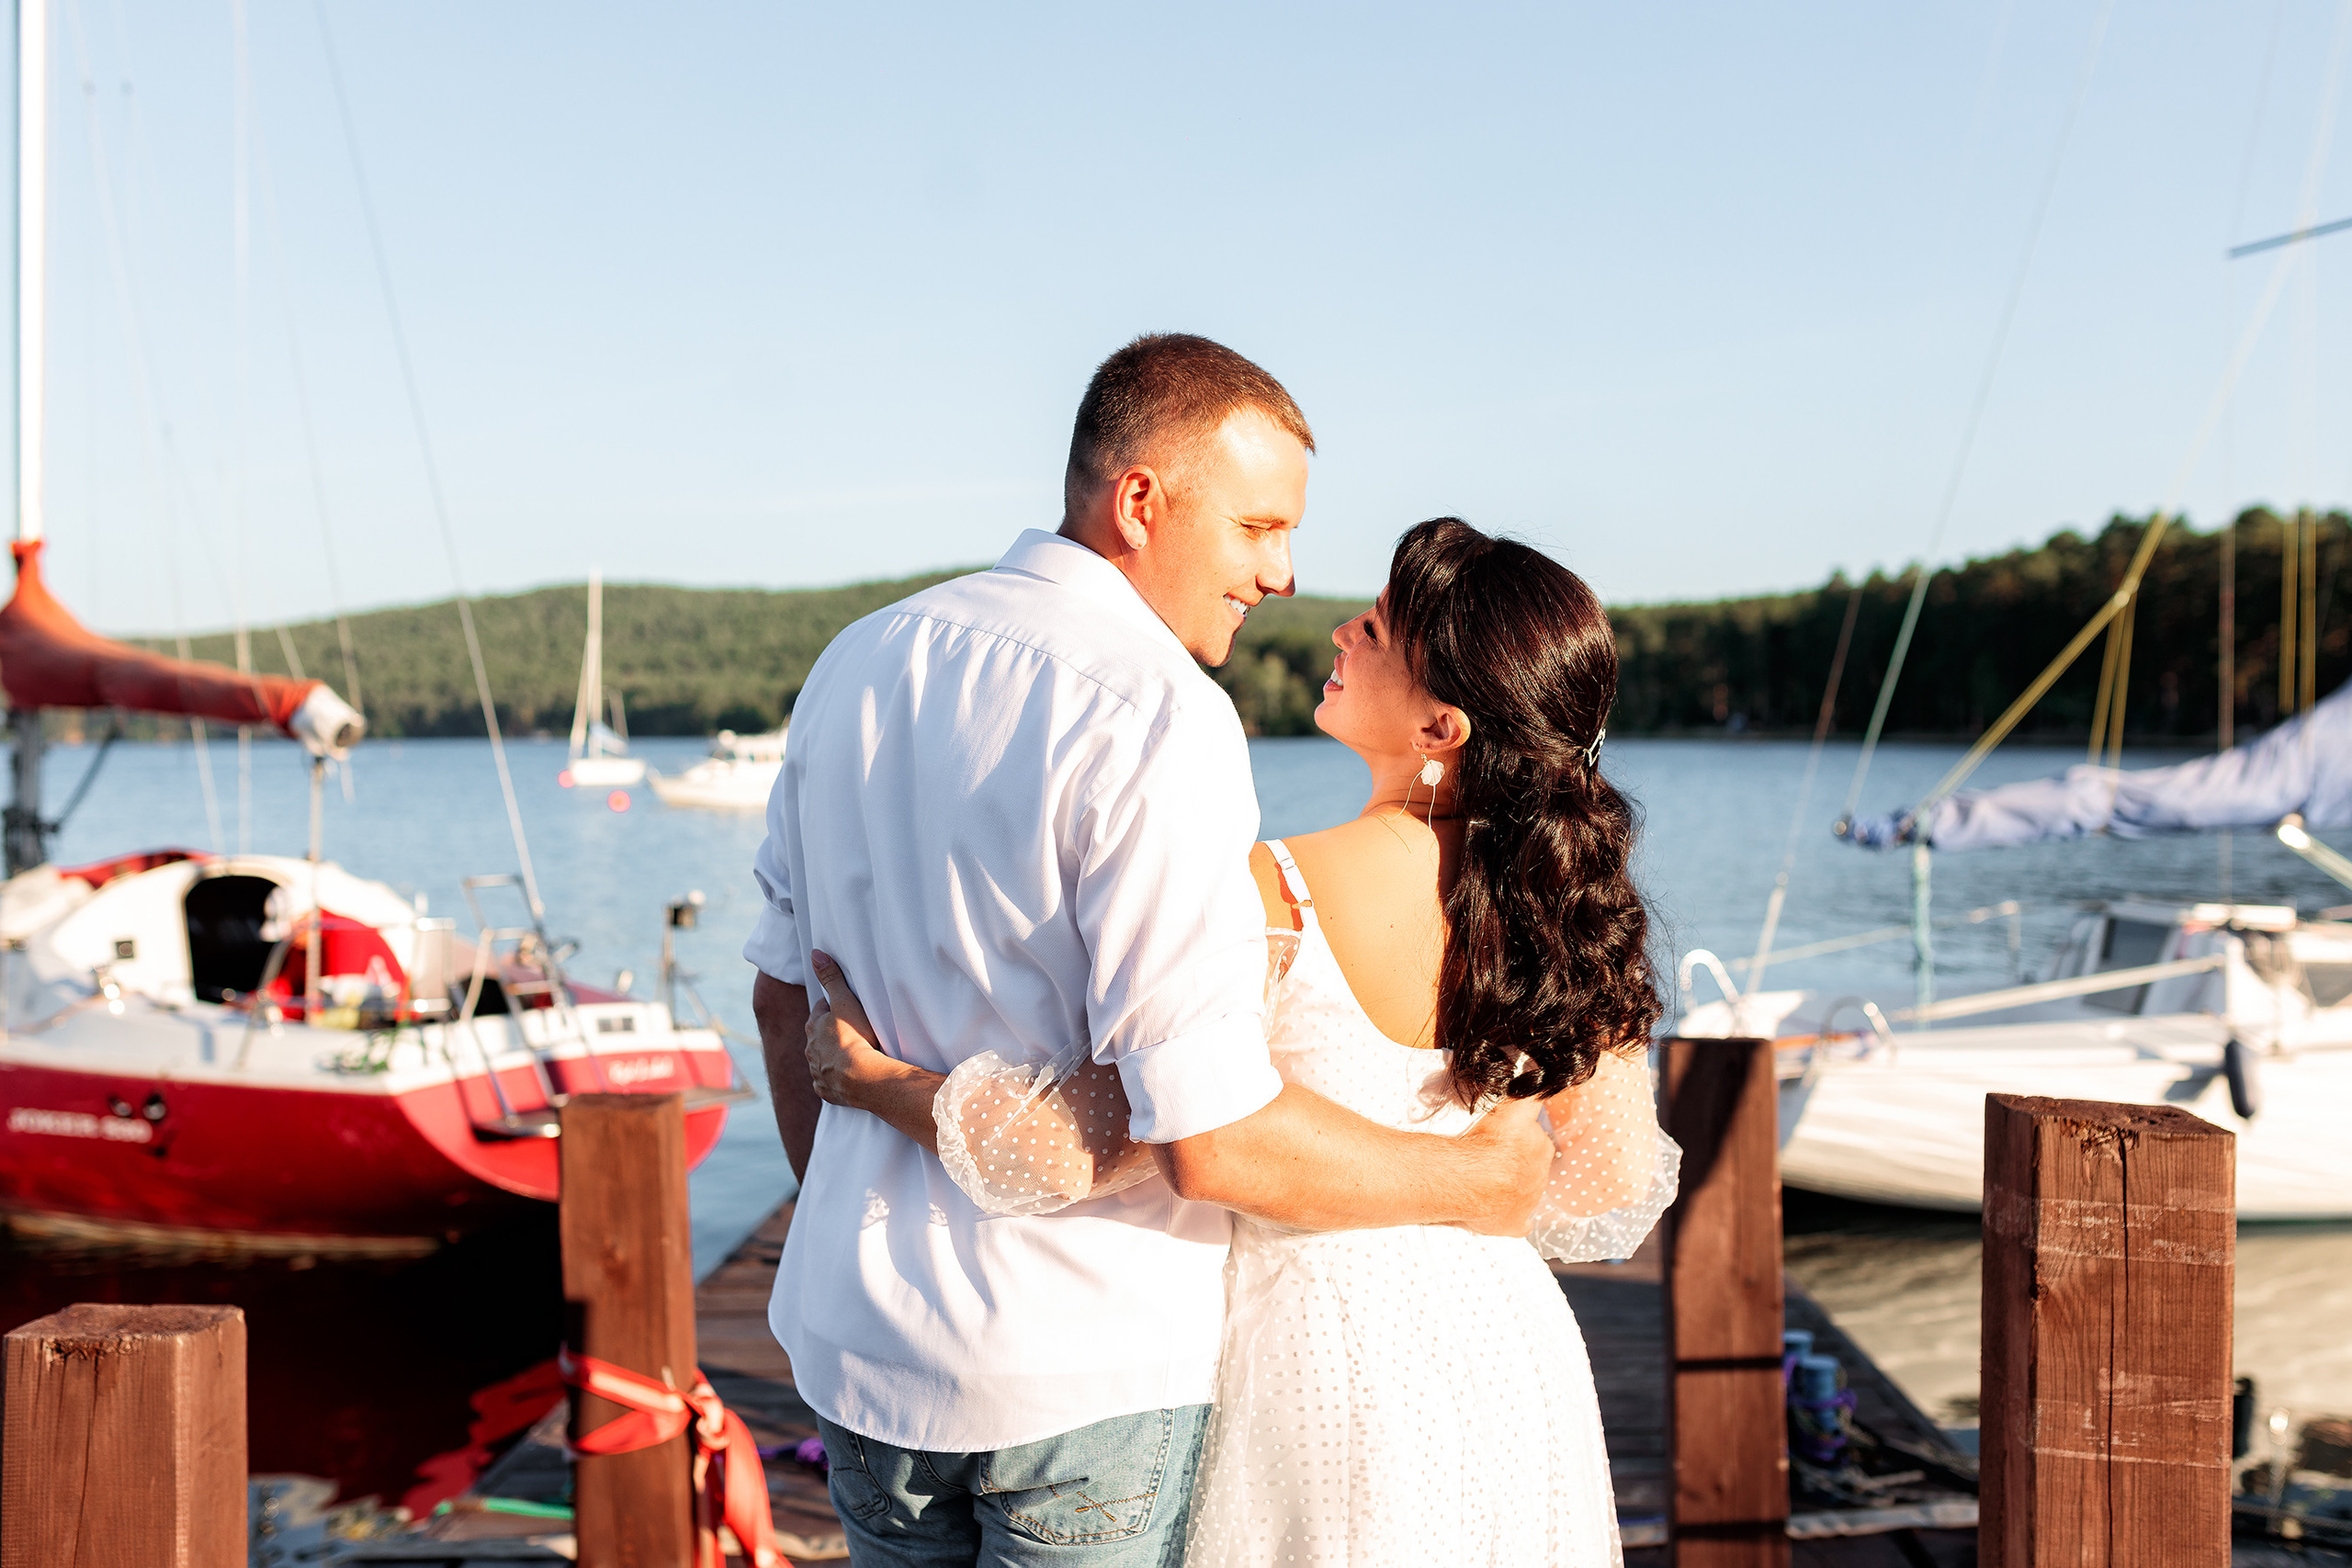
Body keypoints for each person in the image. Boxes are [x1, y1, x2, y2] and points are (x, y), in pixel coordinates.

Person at [743, 334, 1557, 1568]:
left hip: (862, 1346)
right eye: (1257, 527)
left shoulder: (855, 658)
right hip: (1080, 1366)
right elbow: (1201, 1129)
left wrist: (852, 1186)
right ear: (1141, 502)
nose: (1283, 573)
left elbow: (777, 998)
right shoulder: (1156, 713)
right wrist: (1477, 1179)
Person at [808, 516, 1679, 1566]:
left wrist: (881, 1082)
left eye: (1378, 627)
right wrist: (1472, 1182)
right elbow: (1608, 1184)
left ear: (1443, 725)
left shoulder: (1278, 891)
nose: (1341, 632)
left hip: (1320, 1355)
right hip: (1505, 1343)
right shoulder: (1575, 906)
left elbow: (1115, 1134)